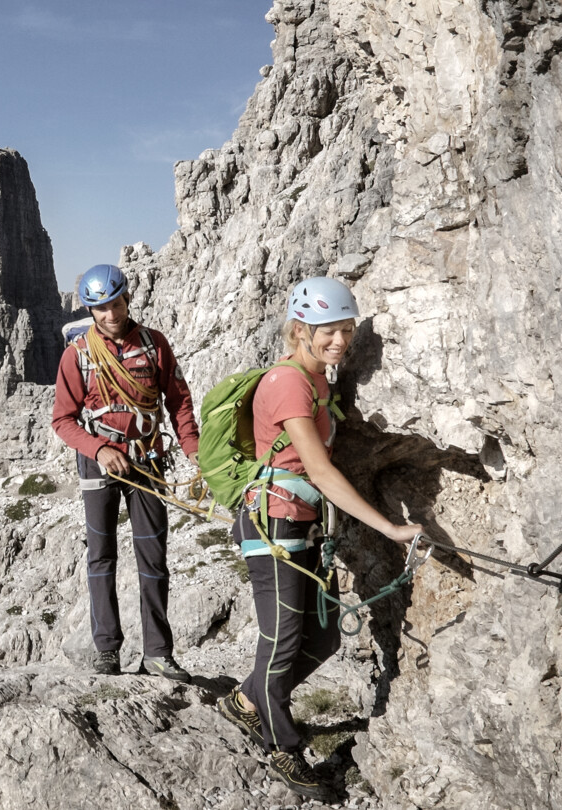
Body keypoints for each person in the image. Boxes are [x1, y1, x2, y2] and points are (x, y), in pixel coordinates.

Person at [213, 276, 424, 801]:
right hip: (273, 523)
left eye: (347, 331)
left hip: (301, 523)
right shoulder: (288, 383)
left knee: (324, 638)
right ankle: (284, 749)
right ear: (301, 329)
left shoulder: (319, 384)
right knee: (282, 640)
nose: (341, 342)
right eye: (330, 331)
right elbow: (321, 471)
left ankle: (247, 699)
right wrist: (389, 528)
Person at [51, 264, 201, 680]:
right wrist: (99, 449)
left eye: (115, 304)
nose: (110, 315)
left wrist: (192, 448)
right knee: (102, 556)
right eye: (100, 308)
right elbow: (63, 419)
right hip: (99, 463)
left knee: (153, 556)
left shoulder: (154, 346)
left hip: (148, 458)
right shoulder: (77, 355)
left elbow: (179, 401)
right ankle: (107, 651)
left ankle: (157, 652)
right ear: (90, 309)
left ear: (127, 299)